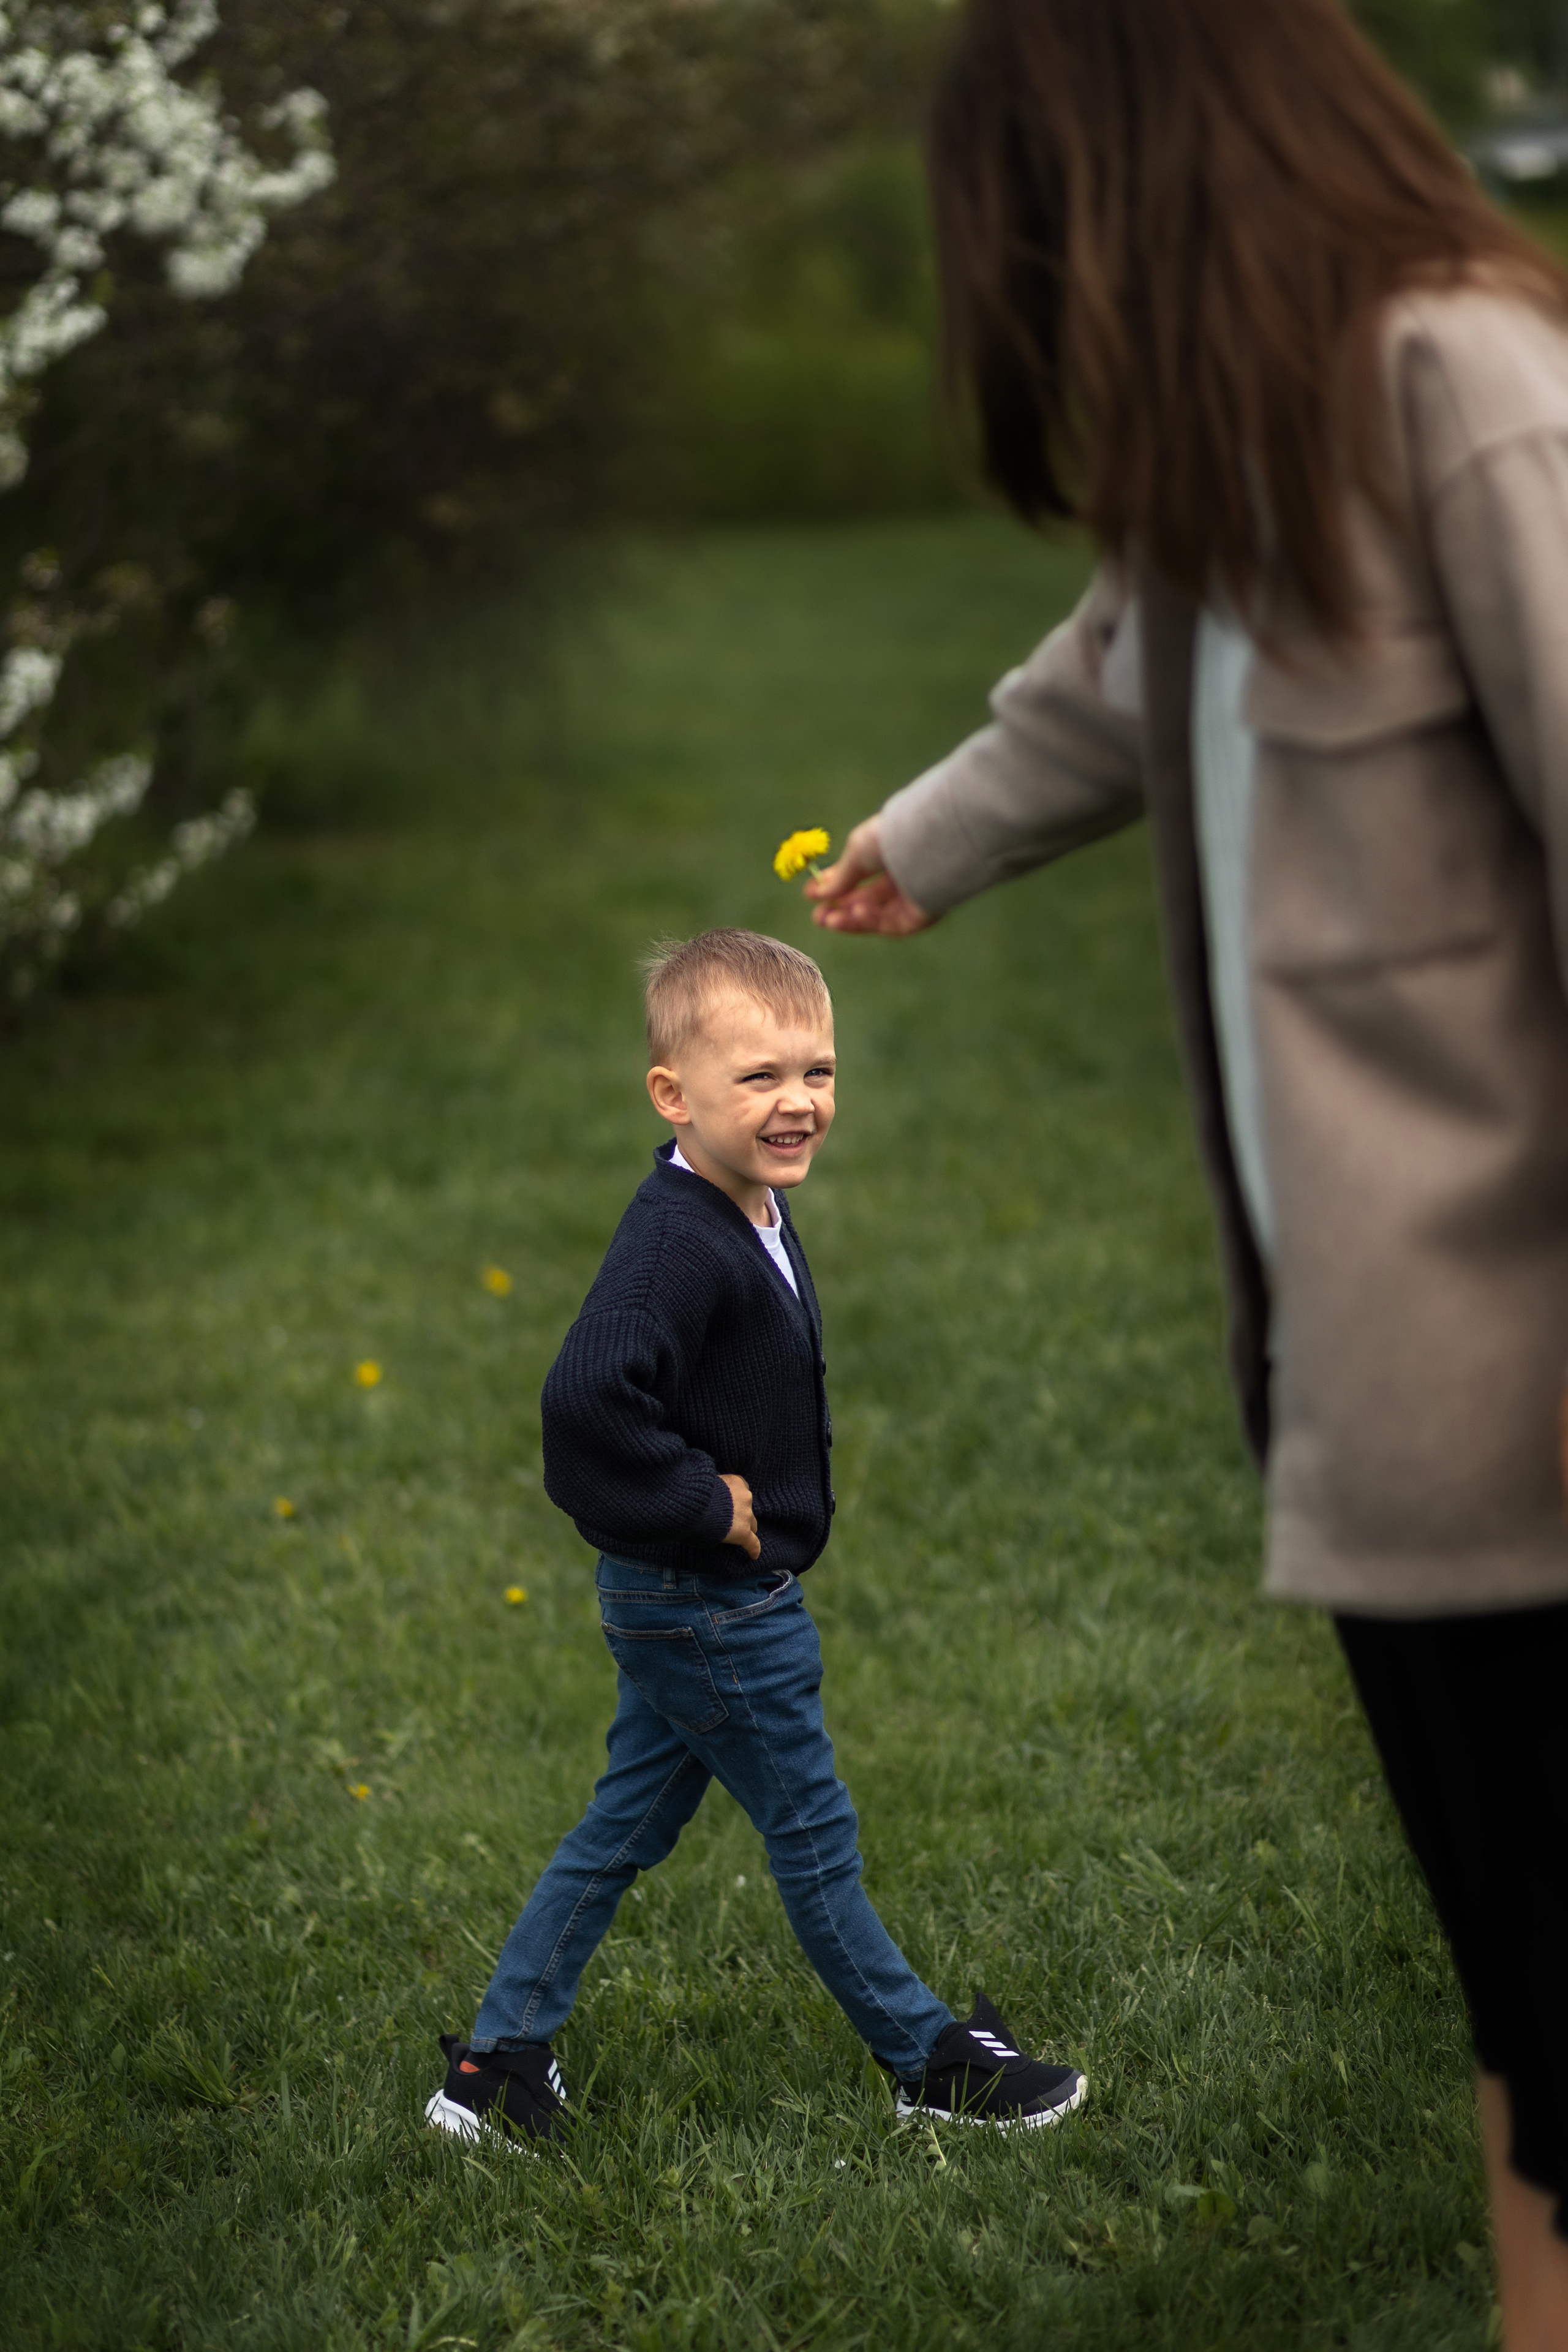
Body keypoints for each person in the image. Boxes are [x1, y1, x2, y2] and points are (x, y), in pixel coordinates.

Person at [805, 3, 1568, 2342]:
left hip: (1540, 1410)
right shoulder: (1243, 441)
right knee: (1529, 2008)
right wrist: (929, 833)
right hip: (1387, 1413)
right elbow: (1121, 667)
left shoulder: (1465, 388)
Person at [425, 928, 1087, 2143]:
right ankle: (927, 2065)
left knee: (624, 1827)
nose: (798, 1102)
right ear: (672, 1096)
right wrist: (704, 1503)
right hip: (711, 1603)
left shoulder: (747, 1201)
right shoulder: (676, 1244)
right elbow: (585, 1401)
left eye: (818, 1071)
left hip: (677, 1600)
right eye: (760, 1078)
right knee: (813, 1840)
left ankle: (494, 2066)